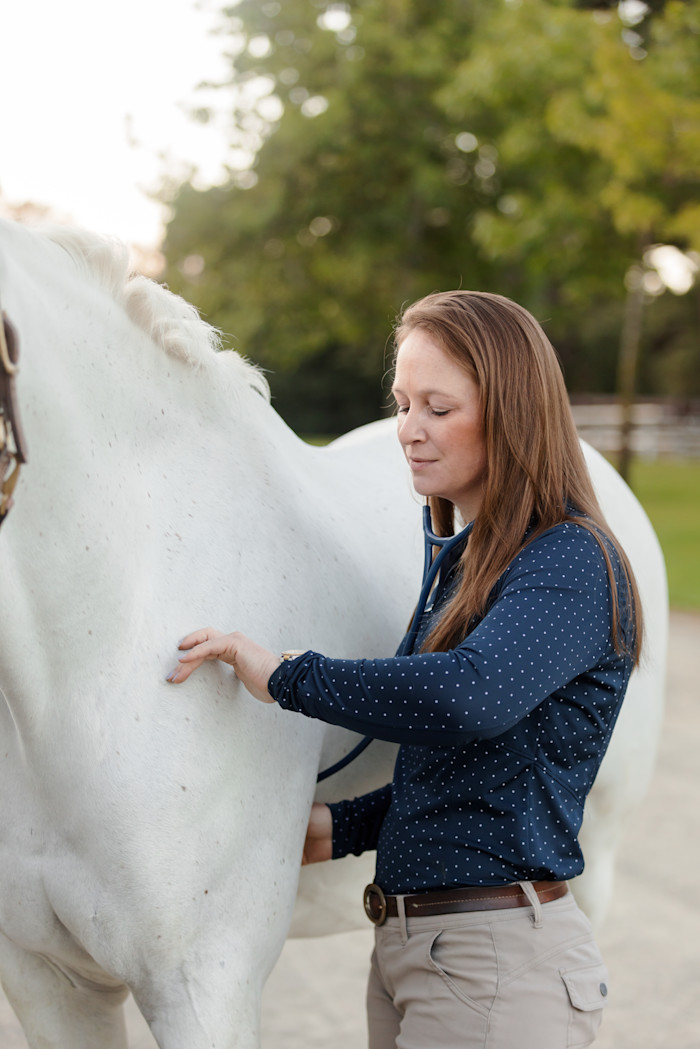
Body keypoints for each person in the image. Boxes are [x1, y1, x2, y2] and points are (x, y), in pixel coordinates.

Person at [167, 290, 642, 1049]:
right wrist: (322, 825)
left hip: (495, 963)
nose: (407, 431)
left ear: (513, 412)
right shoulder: (473, 564)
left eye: (437, 407)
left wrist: (285, 674)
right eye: (401, 403)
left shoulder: (571, 561)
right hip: (415, 949)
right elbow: (463, 780)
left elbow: (468, 699)